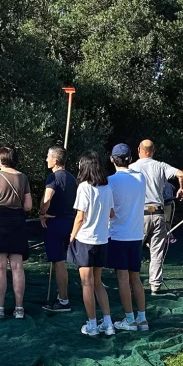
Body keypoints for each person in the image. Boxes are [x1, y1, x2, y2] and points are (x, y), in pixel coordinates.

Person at [68, 150, 115, 337]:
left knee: (86, 284)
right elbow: (111, 213)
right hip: (102, 239)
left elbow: (80, 217)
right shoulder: (106, 187)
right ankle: (108, 322)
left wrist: (72, 236)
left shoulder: (84, 188)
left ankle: (92, 324)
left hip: (86, 239)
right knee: (98, 282)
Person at [129, 140, 183, 293]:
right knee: (157, 251)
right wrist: (181, 189)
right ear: (153, 151)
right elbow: (181, 173)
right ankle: (155, 286)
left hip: (140, 213)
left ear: (139, 149)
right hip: (159, 212)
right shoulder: (160, 166)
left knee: (135, 249)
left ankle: (132, 285)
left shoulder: (132, 168)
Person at [0, 147, 32, 319]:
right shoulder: (23, 177)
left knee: (0, 266)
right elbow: (28, 206)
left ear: (0, 159)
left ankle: (0, 308)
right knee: (18, 267)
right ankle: (19, 308)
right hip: (17, 222)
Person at [106, 143, 150, 332]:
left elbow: (110, 212)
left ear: (111, 159)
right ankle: (142, 318)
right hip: (135, 234)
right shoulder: (140, 178)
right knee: (136, 278)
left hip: (118, 235)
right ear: (130, 159)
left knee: (122, 279)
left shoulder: (110, 181)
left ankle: (130, 319)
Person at [40, 146, 78, 313]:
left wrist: (42, 212)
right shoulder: (73, 179)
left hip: (55, 223)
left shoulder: (53, 177)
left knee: (59, 263)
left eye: (48, 157)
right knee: (63, 261)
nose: (46, 159)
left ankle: (63, 300)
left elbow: (47, 197)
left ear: (55, 161)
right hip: (70, 222)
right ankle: (61, 295)